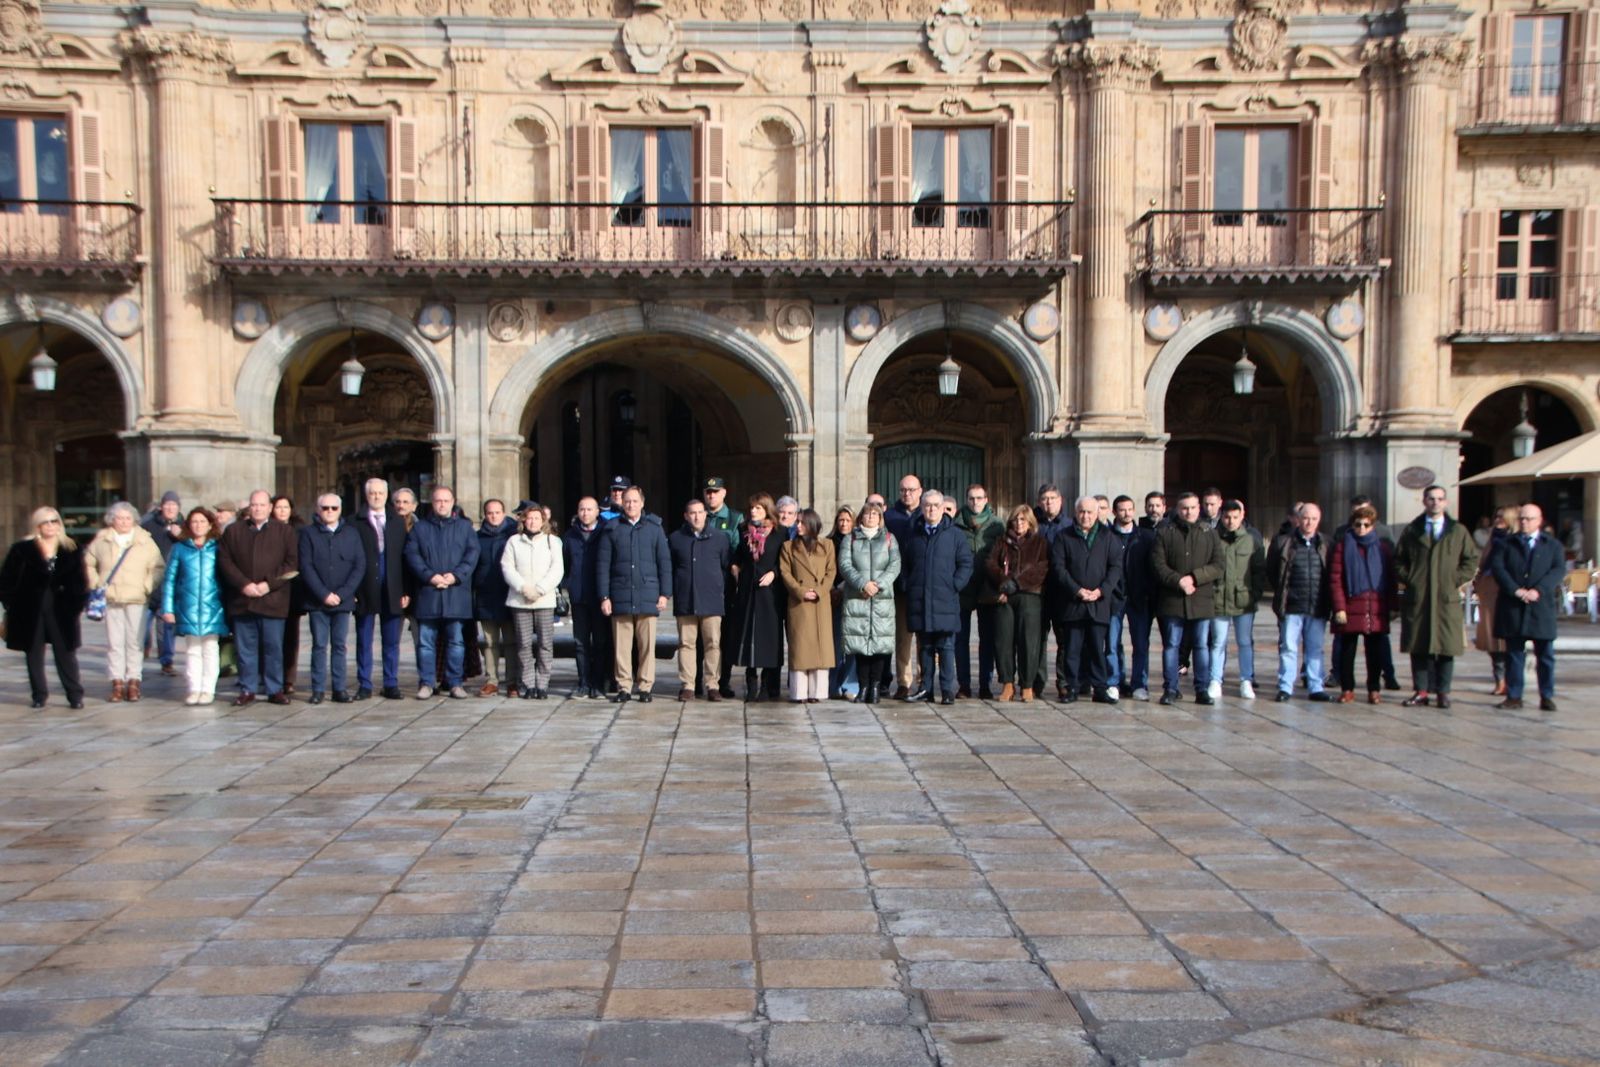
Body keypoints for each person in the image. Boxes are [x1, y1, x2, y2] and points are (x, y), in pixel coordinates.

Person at [1395, 485, 1479, 709]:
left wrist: (1455, 579)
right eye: (1431, 498)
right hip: (1419, 597)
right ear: (1424, 501)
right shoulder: (1413, 530)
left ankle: (1443, 691)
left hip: (1445, 597)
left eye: (1440, 499)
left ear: (1446, 502)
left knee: (1446, 646)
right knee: (1419, 646)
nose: (1435, 503)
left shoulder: (1457, 531)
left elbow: (1471, 559)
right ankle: (1421, 690)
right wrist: (1411, 577)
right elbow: (1398, 560)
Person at [218, 490, 299, 707]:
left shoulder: (285, 532)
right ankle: (247, 688)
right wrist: (244, 584)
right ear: (249, 508)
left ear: (270, 508)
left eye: (262, 505)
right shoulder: (233, 531)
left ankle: (275, 689)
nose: (258, 509)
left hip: (273, 600)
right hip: (243, 601)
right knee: (245, 649)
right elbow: (225, 562)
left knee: (273, 648)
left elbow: (291, 565)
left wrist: (267, 584)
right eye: (254, 505)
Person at [1, 506, 87, 709]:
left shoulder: (71, 548)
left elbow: (80, 581)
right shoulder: (22, 549)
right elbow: (6, 580)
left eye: (54, 521)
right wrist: (11, 604)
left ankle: (74, 695)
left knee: (65, 653)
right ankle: (39, 695)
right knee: (33, 653)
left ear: (60, 524)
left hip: (61, 609)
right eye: (45, 522)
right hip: (29, 609)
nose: (50, 526)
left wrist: (75, 604)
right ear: (37, 526)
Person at [405, 485, 480, 700]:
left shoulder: (465, 528)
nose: (442, 504)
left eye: (446, 501)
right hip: (428, 593)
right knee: (426, 643)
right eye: (438, 501)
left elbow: (472, 554)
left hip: (455, 593)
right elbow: (412, 555)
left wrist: (455, 576)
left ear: (453, 502)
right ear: (432, 503)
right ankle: (427, 682)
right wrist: (430, 576)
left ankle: (454, 682)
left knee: (456, 641)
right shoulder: (420, 529)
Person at [598, 486, 672, 703]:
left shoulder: (654, 528)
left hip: (647, 593)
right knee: (621, 645)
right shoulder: (612, 528)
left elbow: (664, 563)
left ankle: (646, 686)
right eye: (627, 501)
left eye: (634, 501)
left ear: (642, 502)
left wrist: (664, 594)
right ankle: (624, 686)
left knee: (647, 645)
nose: (630, 505)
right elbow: (603, 565)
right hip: (620, 594)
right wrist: (604, 596)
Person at [86, 501, 164, 703]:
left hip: (136, 597)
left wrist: (147, 586)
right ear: (112, 520)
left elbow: (157, 567)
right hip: (111, 597)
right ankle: (117, 682)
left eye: (127, 518)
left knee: (135, 642)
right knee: (115, 643)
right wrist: (96, 583)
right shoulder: (102, 540)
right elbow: (88, 563)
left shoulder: (144, 541)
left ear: (134, 520)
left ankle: (134, 681)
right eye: (119, 518)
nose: (123, 522)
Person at [901, 490, 974, 704]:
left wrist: (954, 585)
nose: (931, 509)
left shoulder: (955, 535)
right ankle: (926, 689)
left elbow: (966, 564)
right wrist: (908, 584)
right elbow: (905, 564)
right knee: (925, 648)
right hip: (921, 600)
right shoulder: (914, 534)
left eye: (935, 505)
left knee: (946, 647)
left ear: (943, 508)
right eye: (927, 505)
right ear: (922, 508)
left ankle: (947, 690)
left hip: (945, 600)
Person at [1490, 502, 1563, 711]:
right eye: (1521, 518)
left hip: (1541, 607)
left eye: (1529, 518)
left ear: (1539, 521)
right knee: (1514, 654)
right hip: (1514, 605)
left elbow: (1557, 570)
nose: (1524, 522)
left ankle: (1546, 695)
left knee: (1546, 655)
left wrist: (1539, 590)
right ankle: (1514, 696)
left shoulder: (1552, 545)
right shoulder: (1506, 543)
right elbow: (1498, 568)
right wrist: (1515, 590)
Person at [1151, 491, 1222, 706]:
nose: (1188, 512)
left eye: (1192, 507)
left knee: (1201, 645)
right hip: (1173, 599)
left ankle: (1202, 689)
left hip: (1201, 599)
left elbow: (1218, 565)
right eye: (1184, 508)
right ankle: (1170, 688)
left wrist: (1194, 578)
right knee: (1171, 645)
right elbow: (1158, 564)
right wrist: (1178, 580)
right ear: (1177, 509)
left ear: (1198, 508)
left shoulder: (1209, 533)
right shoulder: (1165, 532)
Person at [1054, 495, 1122, 704]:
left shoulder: (1108, 537)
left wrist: (1101, 591)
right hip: (1073, 603)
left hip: (1098, 604)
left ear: (1097, 514)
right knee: (1072, 650)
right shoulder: (1064, 536)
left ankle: (1099, 688)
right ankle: (1072, 688)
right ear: (1076, 513)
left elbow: (1115, 567)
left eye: (1090, 512)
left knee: (1097, 649)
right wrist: (1077, 590)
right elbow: (1059, 567)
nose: (1086, 516)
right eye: (1082, 511)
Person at [298, 492, 365, 704]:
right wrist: (324, 594)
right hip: (318, 600)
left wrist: (343, 593)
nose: (329, 512)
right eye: (325, 508)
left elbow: (359, 565)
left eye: (333, 508)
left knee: (339, 645)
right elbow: (306, 566)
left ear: (340, 510)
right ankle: (317, 689)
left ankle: (339, 688)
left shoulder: (351, 533)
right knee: (319, 645)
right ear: (318, 510)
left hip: (342, 600)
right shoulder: (308, 534)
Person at [1329, 503, 1397, 704]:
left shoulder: (1383, 548)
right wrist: (1339, 607)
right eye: (1358, 524)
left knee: (1375, 652)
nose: (1361, 529)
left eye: (1366, 525)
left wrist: (1394, 605)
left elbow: (1392, 578)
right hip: (1351, 605)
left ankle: (1373, 689)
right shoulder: (1343, 547)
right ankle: (1347, 688)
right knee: (1347, 650)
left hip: (1375, 606)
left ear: (1373, 526)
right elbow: (1335, 579)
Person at [161, 507, 228, 704]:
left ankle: (208, 689)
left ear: (210, 525)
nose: (198, 525)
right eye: (194, 522)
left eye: (202, 522)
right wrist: (167, 608)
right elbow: (170, 579)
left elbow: (225, 577)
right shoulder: (180, 548)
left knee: (210, 648)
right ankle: (194, 688)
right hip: (187, 606)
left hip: (213, 606)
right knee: (192, 649)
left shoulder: (218, 548)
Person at [1267, 502, 1332, 704]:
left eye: (1313, 519)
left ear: (1318, 520)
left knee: (1315, 648)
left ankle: (1315, 686)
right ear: (1298, 519)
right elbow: (1272, 571)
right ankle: (1286, 686)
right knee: (1288, 647)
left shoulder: (1325, 544)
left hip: (1316, 605)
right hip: (1292, 605)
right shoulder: (1283, 543)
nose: (1309, 522)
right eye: (1305, 518)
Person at [669, 497, 730, 702]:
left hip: (711, 599)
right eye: (692, 513)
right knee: (686, 643)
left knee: (713, 643)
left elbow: (724, 566)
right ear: (686, 516)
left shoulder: (719, 538)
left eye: (700, 512)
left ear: (706, 514)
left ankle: (712, 684)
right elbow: (671, 567)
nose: (696, 516)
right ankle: (688, 684)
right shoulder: (676, 538)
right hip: (686, 598)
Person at [839, 500, 900, 705]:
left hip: (881, 599)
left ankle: (875, 686)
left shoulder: (890, 539)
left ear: (880, 518)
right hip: (859, 598)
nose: (871, 517)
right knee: (860, 645)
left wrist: (878, 584)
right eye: (868, 514)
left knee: (880, 645)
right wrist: (862, 584)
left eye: (875, 514)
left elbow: (895, 565)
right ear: (861, 517)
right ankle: (863, 685)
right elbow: (845, 565)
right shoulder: (851, 539)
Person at [502, 501, 564, 699]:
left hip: (544, 600)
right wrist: (523, 588)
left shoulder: (552, 541)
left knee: (545, 644)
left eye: (537, 518)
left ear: (543, 521)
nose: (533, 522)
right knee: (524, 644)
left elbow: (557, 569)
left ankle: (543, 684)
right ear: (523, 520)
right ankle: (528, 684)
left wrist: (539, 589)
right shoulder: (513, 541)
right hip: (520, 601)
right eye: (529, 518)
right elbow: (507, 567)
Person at [354, 478, 410, 700]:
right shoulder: (355, 523)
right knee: (364, 639)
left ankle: (390, 682)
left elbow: (404, 558)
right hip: (365, 588)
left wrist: (406, 591)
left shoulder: (397, 522)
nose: (376, 497)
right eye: (372, 493)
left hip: (392, 588)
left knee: (391, 641)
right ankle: (364, 684)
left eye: (380, 493)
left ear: (387, 496)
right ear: (366, 496)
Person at [988, 505, 1049, 702]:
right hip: (1005, 596)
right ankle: (1007, 683)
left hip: (1029, 595)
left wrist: (1018, 582)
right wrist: (1004, 582)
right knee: (1003, 640)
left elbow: (1042, 568)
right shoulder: (1002, 542)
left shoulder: (1040, 543)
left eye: (1023, 520)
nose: (1019, 523)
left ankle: (1027, 684)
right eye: (1015, 520)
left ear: (1030, 522)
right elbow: (990, 563)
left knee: (1028, 640)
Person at [731, 493, 786, 701]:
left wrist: (774, 573)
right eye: (752, 508)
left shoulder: (779, 533)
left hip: (770, 594)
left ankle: (767, 685)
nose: (753, 511)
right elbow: (738, 555)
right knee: (748, 636)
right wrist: (735, 567)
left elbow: (784, 560)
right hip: (748, 590)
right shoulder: (744, 531)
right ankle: (751, 683)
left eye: (758, 508)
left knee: (769, 639)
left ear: (767, 510)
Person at [778, 508, 837, 703]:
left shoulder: (827, 545)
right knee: (800, 648)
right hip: (799, 603)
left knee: (821, 649)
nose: (798, 526)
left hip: (820, 603)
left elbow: (831, 572)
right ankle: (799, 692)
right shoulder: (788, 547)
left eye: (802, 522)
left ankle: (818, 692)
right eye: (798, 522)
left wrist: (819, 591)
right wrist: (800, 591)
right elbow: (785, 573)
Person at [1209, 500, 1264, 701]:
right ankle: (1215, 679)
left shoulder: (1252, 540)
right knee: (1218, 642)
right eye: (1227, 517)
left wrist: (1254, 594)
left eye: (1234, 517)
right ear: (1221, 517)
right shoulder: (1213, 539)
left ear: (1242, 516)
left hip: (1243, 601)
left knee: (1244, 642)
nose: (1230, 521)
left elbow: (1259, 571)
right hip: (1218, 599)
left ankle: (1246, 680)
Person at [955, 484, 1003, 700]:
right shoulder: (956, 524)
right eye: (972, 498)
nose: (975, 502)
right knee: (960, 639)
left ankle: (985, 683)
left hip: (987, 587)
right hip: (963, 588)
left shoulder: (997, 525)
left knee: (987, 639)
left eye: (979, 498)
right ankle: (963, 684)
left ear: (986, 500)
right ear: (966, 500)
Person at [1108, 495, 1157, 700]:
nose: (1126, 513)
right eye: (1122, 510)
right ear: (1114, 512)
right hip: (1114, 597)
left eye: (1129, 509)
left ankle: (1139, 684)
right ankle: (1113, 681)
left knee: (1140, 644)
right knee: (1111, 643)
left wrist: (1147, 592)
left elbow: (1152, 568)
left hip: (1138, 598)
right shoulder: (1107, 536)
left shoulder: (1145, 537)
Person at [561, 496, 609, 699]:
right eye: (582, 509)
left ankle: (598, 683)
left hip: (599, 596)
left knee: (600, 642)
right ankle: (583, 682)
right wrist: (567, 585)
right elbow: (564, 563)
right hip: (578, 597)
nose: (585, 513)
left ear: (598, 511)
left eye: (590, 509)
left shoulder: (606, 533)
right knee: (580, 643)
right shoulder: (570, 536)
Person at [702, 476, 744, 697]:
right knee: (702, 637)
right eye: (708, 492)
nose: (711, 495)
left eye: (715, 492)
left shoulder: (735, 519)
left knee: (725, 636)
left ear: (724, 493)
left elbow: (738, 550)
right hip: (702, 585)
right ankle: (704, 680)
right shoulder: (698, 515)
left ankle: (723, 680)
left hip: (725, 586)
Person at [472, 499, 519, 696]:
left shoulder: (514, 534)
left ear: (503, 513)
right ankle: (491, 679)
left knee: (510, 641)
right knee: (490, 642)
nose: (494, 516)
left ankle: (512, 681)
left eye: (497, 512)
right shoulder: (477, 537)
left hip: (509, 593)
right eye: (490, 513)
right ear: (485, 515)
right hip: (486, 594)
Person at [1473, 504, 1519, 696]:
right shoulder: (1493, 539)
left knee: (1507, 641)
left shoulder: (1514, 541)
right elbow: (1484, 562)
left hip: (1506, 591)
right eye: (1496, 517)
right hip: (1489, 591)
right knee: (1492, 640)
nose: (1497, 520)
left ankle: (1510, 680)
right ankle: (1499, 680)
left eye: (1502, 517)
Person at [885, 474, 923, 699]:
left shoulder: (927, 513)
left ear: (920, 491)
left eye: (911, 489)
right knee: (902, 637)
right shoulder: (890, 517)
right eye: (903, 490)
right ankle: (904, 681)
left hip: (922, 586)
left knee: (925, 638)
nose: (907, 494)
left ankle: (924, 678)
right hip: (899, 586)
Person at [141, 490, 184, 677]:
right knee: (142, 624)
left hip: (171, 584)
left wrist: (181, 536)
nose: (170, 508)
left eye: (173, 505)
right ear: (161, 507)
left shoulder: (184, 526)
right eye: (167, 505)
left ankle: (167, 660)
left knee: (166, 627)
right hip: (149, 582)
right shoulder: (149, 526)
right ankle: (142, 650)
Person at [1031, 484, 1069, 698]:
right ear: (1039, 502)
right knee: (1038, 639)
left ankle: (1063, 681)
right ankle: (1037, 681)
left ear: (1060, 500)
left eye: (1053, 498)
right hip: (1038, 591)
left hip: (1062, 591)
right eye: (1044, 498)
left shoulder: (1069, 525)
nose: (1049, 502)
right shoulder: (1033, 525)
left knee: (1064, 640)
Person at [270, 495, 306, 694]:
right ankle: (270, 674)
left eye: (286, 507)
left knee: (291, 636)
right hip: (270, 589)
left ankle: (288, 678)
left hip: (292, 590)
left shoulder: (300, 530)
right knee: (272, 637)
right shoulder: (266, 529)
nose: (282, 511)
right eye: (278, 507)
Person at [827, 507, 859, 700]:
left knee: (852, 644)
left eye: (848, 520)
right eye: (841, 520)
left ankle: (850, 684)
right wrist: (833, 588)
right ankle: (833, 684)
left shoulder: (859, 542)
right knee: (835, 644)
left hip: (853, 596)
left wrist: (844, 585)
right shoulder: (829, 542)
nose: (844, 524)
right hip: (834, 597)